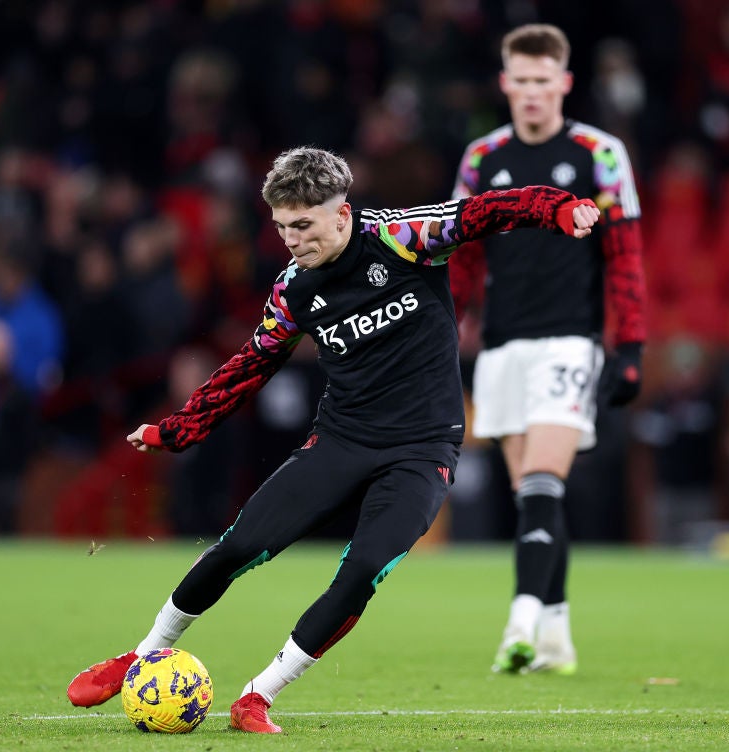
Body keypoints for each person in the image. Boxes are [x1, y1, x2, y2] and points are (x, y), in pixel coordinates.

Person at [66, 147, 599, 732]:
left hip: (423, 449)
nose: (291, 240)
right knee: (238, 548)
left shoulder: (403, 238)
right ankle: (139, 658)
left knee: (363, 568)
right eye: (282, 228)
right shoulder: (293, 289)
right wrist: (179, 428)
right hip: (342, 440)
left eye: (303, 225)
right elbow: (250, 364)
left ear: (342, 214)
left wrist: (558, 207)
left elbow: (486, 211)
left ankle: (258, 696)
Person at [448, 23, 647, 675]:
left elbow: (625, 254)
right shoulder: (482, 159)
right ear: (506, 83)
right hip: (502, 347)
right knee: (537, 497)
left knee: (540, 485)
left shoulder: (600, 153)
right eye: (521, 81)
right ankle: (558, 638)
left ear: (563, 83)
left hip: (570, 342)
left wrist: (631, 344)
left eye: (544, 81)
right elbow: (461, 259)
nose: (532, 93)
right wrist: (446, 330)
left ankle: (521, 622)